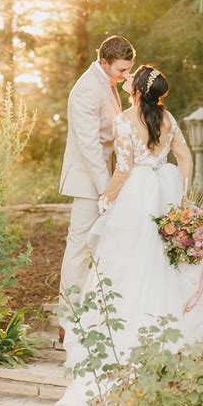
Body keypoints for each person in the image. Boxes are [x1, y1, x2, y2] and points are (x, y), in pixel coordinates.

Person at [55, 65, 203, 406]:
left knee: (129, 262)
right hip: (165, 190)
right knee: (169, 260)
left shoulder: (124, 120)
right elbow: (184, 157)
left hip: (137, 192)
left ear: (135, 88)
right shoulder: (169, 119)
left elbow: (123, 168)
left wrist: (107, 198)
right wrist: (180, 193)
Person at [58, 35, 135, 341]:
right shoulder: (86, 91)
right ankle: (68, 318)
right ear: (104, 63)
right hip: (89, 180)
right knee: (79, 246)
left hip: (108, 175)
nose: (125, 75)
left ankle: (97, 313)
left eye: (128, 70)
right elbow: (89, 147)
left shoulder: (108, 83)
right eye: (121, 70)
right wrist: (108, 189)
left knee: (101, 246)